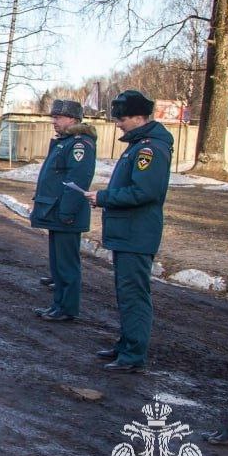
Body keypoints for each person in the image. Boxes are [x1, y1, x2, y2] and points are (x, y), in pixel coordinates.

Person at [83, 90, 173, 374]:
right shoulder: (139, 145)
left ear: (138, 116)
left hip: (137, 234)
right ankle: (126, 345)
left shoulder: (149, 149)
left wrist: (104, 198)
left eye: (122, 118)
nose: (118, 123)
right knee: (126, 292)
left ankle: (133, 354)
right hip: (129, 233)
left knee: (134, 294)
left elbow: (145, 191)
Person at [28, 99, 96, 322]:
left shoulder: (79, 144)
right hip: (55, 212)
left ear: (73, 119)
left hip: (65, 214)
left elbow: (77, 181)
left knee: (66, 265)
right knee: (58, 264)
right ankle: (58, 305)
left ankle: (67, 308)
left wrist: (67, 212)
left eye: (58, 117)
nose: (53, 121)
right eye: (53, 117)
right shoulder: (65, 142)